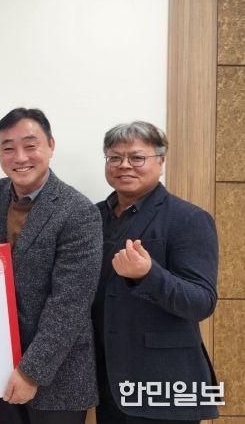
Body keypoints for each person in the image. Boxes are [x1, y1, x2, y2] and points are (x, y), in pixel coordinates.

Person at [0, 107, 103, 424]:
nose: (20, 157)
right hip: (1, 361)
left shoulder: (78, 211)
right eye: (8, 148)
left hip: (58, 372)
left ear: (50, 145)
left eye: (30, 145)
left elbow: (70, 303)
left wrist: (31, 372)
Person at [92, 121, 219, 424]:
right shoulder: (93, 216)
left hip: (166, 381)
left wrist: (148, 274)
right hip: (107, 378)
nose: (124, 165)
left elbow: (201, 302)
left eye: (137, 157)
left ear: (161, 161)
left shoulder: (189, 218)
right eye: (114, 157)